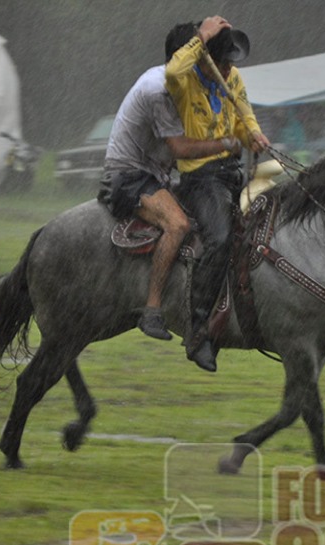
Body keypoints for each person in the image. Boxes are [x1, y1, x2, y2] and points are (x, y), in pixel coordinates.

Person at [99, 21, 244, 341]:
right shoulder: (160, 90)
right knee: (177, 225)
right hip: (129, 175)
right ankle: (152, 309)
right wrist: (226, 144)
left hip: (156, 175)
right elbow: (180, 149)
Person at [165, 16, 270, 372]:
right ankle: (198, 331)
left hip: (232, 171)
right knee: (221, 238)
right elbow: (172, 70)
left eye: (230, 63)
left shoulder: (233, 77)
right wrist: (201, 37)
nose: (228, 70)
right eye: (222, 63)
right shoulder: (184, 81)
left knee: (273, 212)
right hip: (200, 179)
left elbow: (244, 116)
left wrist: (253, 135)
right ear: (206, 58)